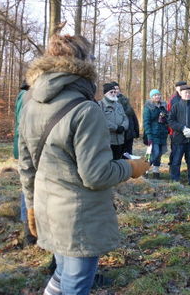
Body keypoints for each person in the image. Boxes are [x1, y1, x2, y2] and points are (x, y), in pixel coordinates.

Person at [18, 33, 149, 295]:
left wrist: (31, 207)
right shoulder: (86, 109)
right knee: (75, 284)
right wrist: (132, 169)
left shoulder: (30, 103)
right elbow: (96, 175)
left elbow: (26, 165)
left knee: (62, 274)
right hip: (78, 218)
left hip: (47, 208)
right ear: (84, 63)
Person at [13, 80, 37, 247]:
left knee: (27, 185)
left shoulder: (23, 95)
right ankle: (29, 233)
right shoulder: (28, 97)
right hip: (28, 148)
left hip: (24, 147)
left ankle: (30, 231)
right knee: (28, 186)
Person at [168, 85, 190, 185]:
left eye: (189, 93)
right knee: (176, 161)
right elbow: (170, 121)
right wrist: (182, 128)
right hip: (179, 139)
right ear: (181, 93)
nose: (187, 94)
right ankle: (175, 181)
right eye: (185, 92)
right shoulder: (176, 106)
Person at [143, 89, 169, 179]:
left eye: (158, 95)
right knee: (154, 153)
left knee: (160, 153)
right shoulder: (148, 107)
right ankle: (143, 169)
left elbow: (167, 120)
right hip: (153, 134)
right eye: (155, 95)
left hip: (162, 134)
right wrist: (149, 135)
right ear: (151, 97)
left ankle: (156, 172)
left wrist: (165, 118)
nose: (157, 97)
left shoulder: (163, 106)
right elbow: (146, 122)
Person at [99, 83, 129, 160]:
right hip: (107, 141)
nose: (113, 94)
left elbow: (125, 118)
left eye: (114, 92)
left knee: (118, 161)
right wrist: (116, 128)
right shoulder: (100, 105)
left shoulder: (119, 105)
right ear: (105, 94)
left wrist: (123, 127)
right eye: (111, 92)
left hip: (120, 140)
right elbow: (101, 121)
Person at [110, 81, 139, 155]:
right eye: (113, 89)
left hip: (128, 133)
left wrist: (136, 130)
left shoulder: (125, 100)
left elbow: (133, 116)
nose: (116, 91)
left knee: (128, 155)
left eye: (117, 89)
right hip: (116, 134)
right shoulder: (107, 103)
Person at [167, 81, 187, 165]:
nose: (182, 88)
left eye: (184, 86)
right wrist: (171, 130)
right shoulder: (173, 99)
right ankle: (172, 167)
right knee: (175, 151)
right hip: (175, 131)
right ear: (176, 88)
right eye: (180, 86)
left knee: (187, 152)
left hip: (188, 130)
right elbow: (169, 116)